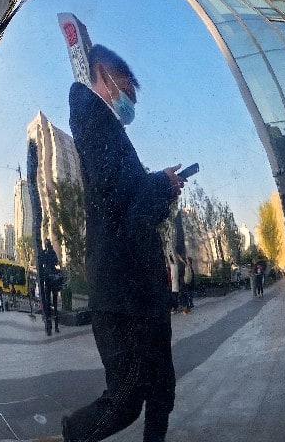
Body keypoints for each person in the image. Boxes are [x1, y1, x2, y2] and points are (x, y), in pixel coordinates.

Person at [60, 45, 185, 442]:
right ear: (105, 73)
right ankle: (73, 434)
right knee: (127, 397)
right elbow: (124, 203)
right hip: (121, 292)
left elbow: (133, 203)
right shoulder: (91, 116)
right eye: (127, 87)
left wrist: (162, 189)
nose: (129, 98)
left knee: (161, 390)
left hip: (143, 290)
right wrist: (161, 186)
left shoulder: (110, 130)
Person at [40, 239, 62, 333]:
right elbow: (56, 263)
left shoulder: (45, 253)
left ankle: (50, 328)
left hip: (48, 281)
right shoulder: (52, 252)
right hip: (52, 280)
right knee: (54, 304)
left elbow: (42, 264)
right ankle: (55, 327)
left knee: (49, 304)